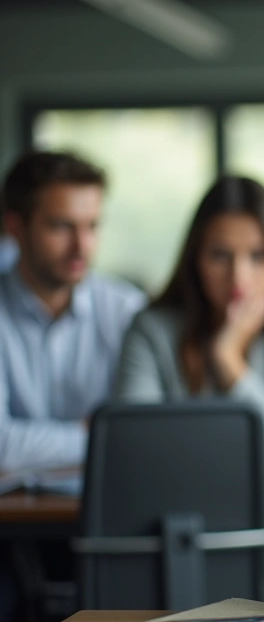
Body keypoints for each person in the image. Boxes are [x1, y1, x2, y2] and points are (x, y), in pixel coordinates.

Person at [111, 176, 264, 482]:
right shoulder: (151, 330)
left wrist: (230, 363)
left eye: (259, 256)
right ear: (195, 259)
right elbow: (134, 452)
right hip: (172, 522)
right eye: (220, 255)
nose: (239, 277)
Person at [0, 150, 145, 472]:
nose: (82, 246)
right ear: (16, 228)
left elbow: (145, 434)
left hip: (110, 513)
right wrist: (95, 435)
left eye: (92, 226)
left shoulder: (128, 312)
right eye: (62, 227)